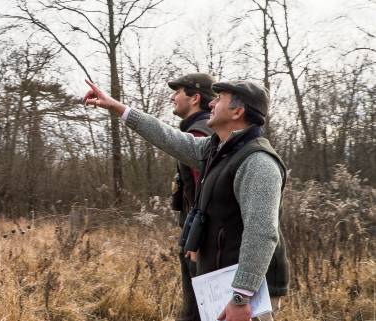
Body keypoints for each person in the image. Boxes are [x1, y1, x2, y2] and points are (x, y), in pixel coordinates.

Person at [83, 79, 289, 321]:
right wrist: (117, 107)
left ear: (238, 111)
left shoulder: (258, 163)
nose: (210, 103)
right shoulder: (216, 150)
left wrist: (241, 297)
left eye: (219, 98)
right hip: (224, 283)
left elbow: (262, 233)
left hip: (249, 290)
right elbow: (167, 137)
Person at [168, 73, 215, 321]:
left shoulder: (199, 135)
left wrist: (196, 242)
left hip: (200, 245)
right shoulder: (203, 130)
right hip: (198, 240)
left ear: (195, 98)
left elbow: (207, 193)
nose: (172, 97)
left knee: (198, 313)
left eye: (178, 92)